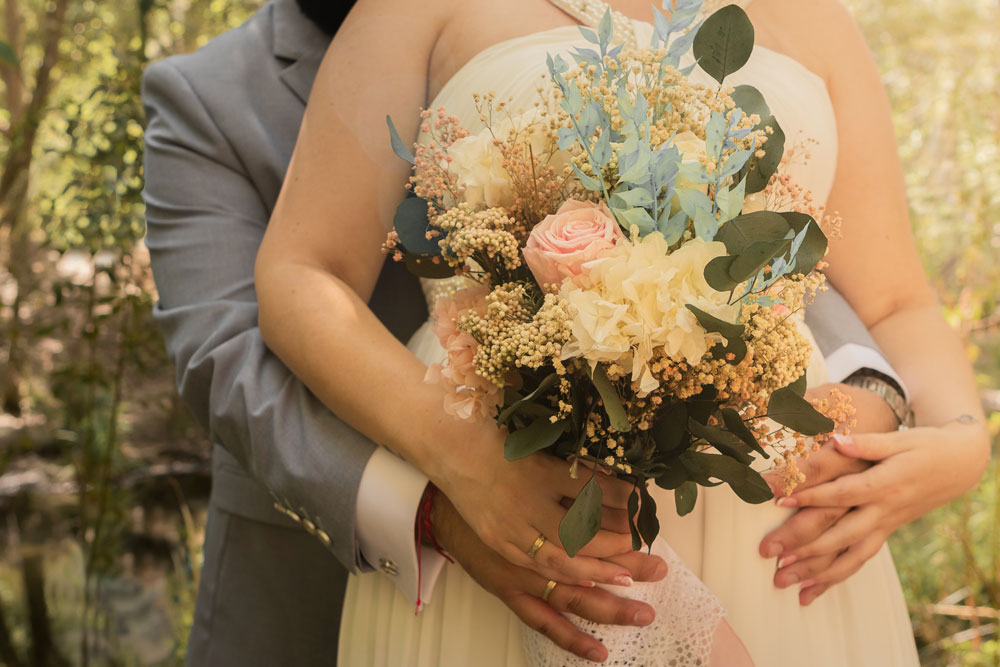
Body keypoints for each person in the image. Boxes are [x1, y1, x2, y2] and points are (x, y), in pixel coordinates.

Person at [139, 0, 981, 664]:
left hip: (781, 547)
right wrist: (456, 459)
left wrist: (962, 438)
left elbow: (899, 298)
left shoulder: (820, 20)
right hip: (504, 525)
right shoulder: (406, 10)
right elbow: (300, 276)